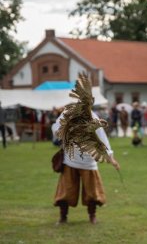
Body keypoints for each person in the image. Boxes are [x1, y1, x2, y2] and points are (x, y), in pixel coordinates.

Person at [53, 74, 120, 225]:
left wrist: (111, 159)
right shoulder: (67, 113)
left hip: (88, 160)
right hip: (70, 160)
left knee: (92, 191)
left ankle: (92, 216)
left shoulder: (93, 117)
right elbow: (56, 129)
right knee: (66, 190)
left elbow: (103, 140)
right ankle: (63, 217)